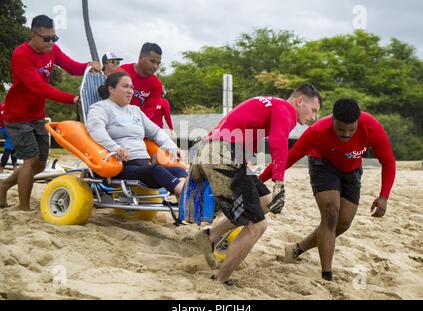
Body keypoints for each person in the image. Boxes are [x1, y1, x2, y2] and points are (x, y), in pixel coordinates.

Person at [192, 84, 322, 285]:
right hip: (222, 155)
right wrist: (279, 182)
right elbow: (279, 141)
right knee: (258, 225)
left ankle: (210, 236)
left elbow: (226, 123)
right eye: (313, 110)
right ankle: (220, 278)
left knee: (265, 201)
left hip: (214, 151)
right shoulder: (285, 109)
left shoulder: (271, 102)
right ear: (299, 101)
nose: (313, 117)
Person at [260, 99, 396, 281]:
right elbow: (289, 157)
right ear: (333, 120)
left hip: (352, 169)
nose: (346, 134)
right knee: (331, 214)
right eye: (341, 129)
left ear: (358, 121)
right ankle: (327, 275)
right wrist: (258, 181)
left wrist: (384, 196)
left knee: (343, 222)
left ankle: (297, 248)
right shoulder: (318, 130)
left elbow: (388, 161)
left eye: (351, 130)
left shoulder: (372, 127)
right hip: (322, 164)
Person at [0, 15, 101, 211]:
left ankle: (3, 185)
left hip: (37, 114)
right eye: (46, 38)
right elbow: (38, 87)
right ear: (33, 35)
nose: (51, 42)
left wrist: (88, 65)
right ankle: (23, 208)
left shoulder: (52, 49)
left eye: (54, 38)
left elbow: (72, 67)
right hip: (17, 116)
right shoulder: (20, 54)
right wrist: (71, 98)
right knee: (30, 160)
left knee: (40, 163)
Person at [86, 72, 187, 198]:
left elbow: (155, 132)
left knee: (181, 171)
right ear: (111, 88)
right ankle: (188, 196)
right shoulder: (100, 108)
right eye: (125, 86)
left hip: (144, 165)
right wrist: (115, 147)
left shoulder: (135, 110)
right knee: (156, 170)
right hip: (120, 165)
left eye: (132, 87)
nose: (130, 91)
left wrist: (173, 148)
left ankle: (183, 200)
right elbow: (96, 130)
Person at [120, 42, 163, 119]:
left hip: (136, 122)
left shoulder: (156, 85)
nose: (155, 66)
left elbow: (149, 110)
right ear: (141, 58)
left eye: (158, 63)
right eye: (152, 61)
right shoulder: (122, 71)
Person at [0, 101, 17, 173]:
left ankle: (15, 168)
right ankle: (1, 169)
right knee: (9, 149)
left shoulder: (1, 106)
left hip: (3, 128)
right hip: (11, 128)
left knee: (13, 148)